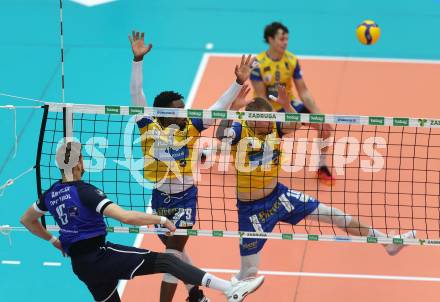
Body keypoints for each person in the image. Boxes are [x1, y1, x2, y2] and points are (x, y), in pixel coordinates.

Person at [20, 141, 264, 302]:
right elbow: (126, 217)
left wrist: (54, 240)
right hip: (99, 256)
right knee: (168, 260)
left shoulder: (50, 194)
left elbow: (27, 220)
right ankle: (229, 289)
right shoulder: (85, 191)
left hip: (81, 266)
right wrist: (160, 218)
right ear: (80, 162)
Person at [215, 87, 416, 282]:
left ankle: (387, 242)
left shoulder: (274, 126)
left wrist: (286, 104)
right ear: (252, 119)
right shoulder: (240, 129)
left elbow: (295, 124)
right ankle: (231, 287)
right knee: (249, 272)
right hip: (252, 210)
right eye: (264, 121)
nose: (269, 124)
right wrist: (232, 109)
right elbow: (221, 135)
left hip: (279, 197)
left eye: (270, 120)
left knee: (335, 215)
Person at [128, 30, 255, 302]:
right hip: (160, 200)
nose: (184, 113)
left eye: (184, 108)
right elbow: (136, 92)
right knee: (179, 255)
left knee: (172, 256)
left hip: (186, 198)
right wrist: (137, 60)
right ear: (163, 113)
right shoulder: (147, 127)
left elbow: (218, 106)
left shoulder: (191, 128)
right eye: (178, 109)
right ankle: (195, 293)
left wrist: (237, 82)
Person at [250, 21, 335, 185]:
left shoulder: (291, 60)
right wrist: (271, 123)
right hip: (265, 110)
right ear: (270, 39)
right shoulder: (257, 63)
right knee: (242, 142)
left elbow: (303, 91)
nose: (285, 42)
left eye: (287, 39)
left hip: (289, 106)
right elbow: (261, 97)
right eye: (282, 39)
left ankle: (322, 165)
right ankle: (210, 152)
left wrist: (319, 114)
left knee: (324, 127)